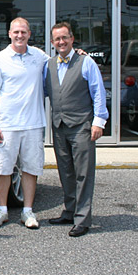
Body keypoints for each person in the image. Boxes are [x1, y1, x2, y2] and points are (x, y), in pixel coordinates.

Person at [44, 22, 108, 237]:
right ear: (52, 43)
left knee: (83, 173)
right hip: (59, 126)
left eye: (65, 38)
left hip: (82, 125)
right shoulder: (49, 65)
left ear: (72, 39)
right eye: (57, 39)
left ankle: (82, 219)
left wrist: (99, 121)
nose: (61, 42)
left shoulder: (86, 62)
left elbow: (98, 91)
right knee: (66, 172)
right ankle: (70, 211)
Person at [0, 17, 47, 229]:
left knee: (31, 168)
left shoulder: (39, 57)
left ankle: (27, 212)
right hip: (7, 126)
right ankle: (2, 210)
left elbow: (61, 65)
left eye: (23, 32)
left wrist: (79, 55)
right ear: (9, 34)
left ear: (29, 34)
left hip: (33, 125)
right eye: (16, 32)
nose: (20, 35)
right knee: (2, 169)